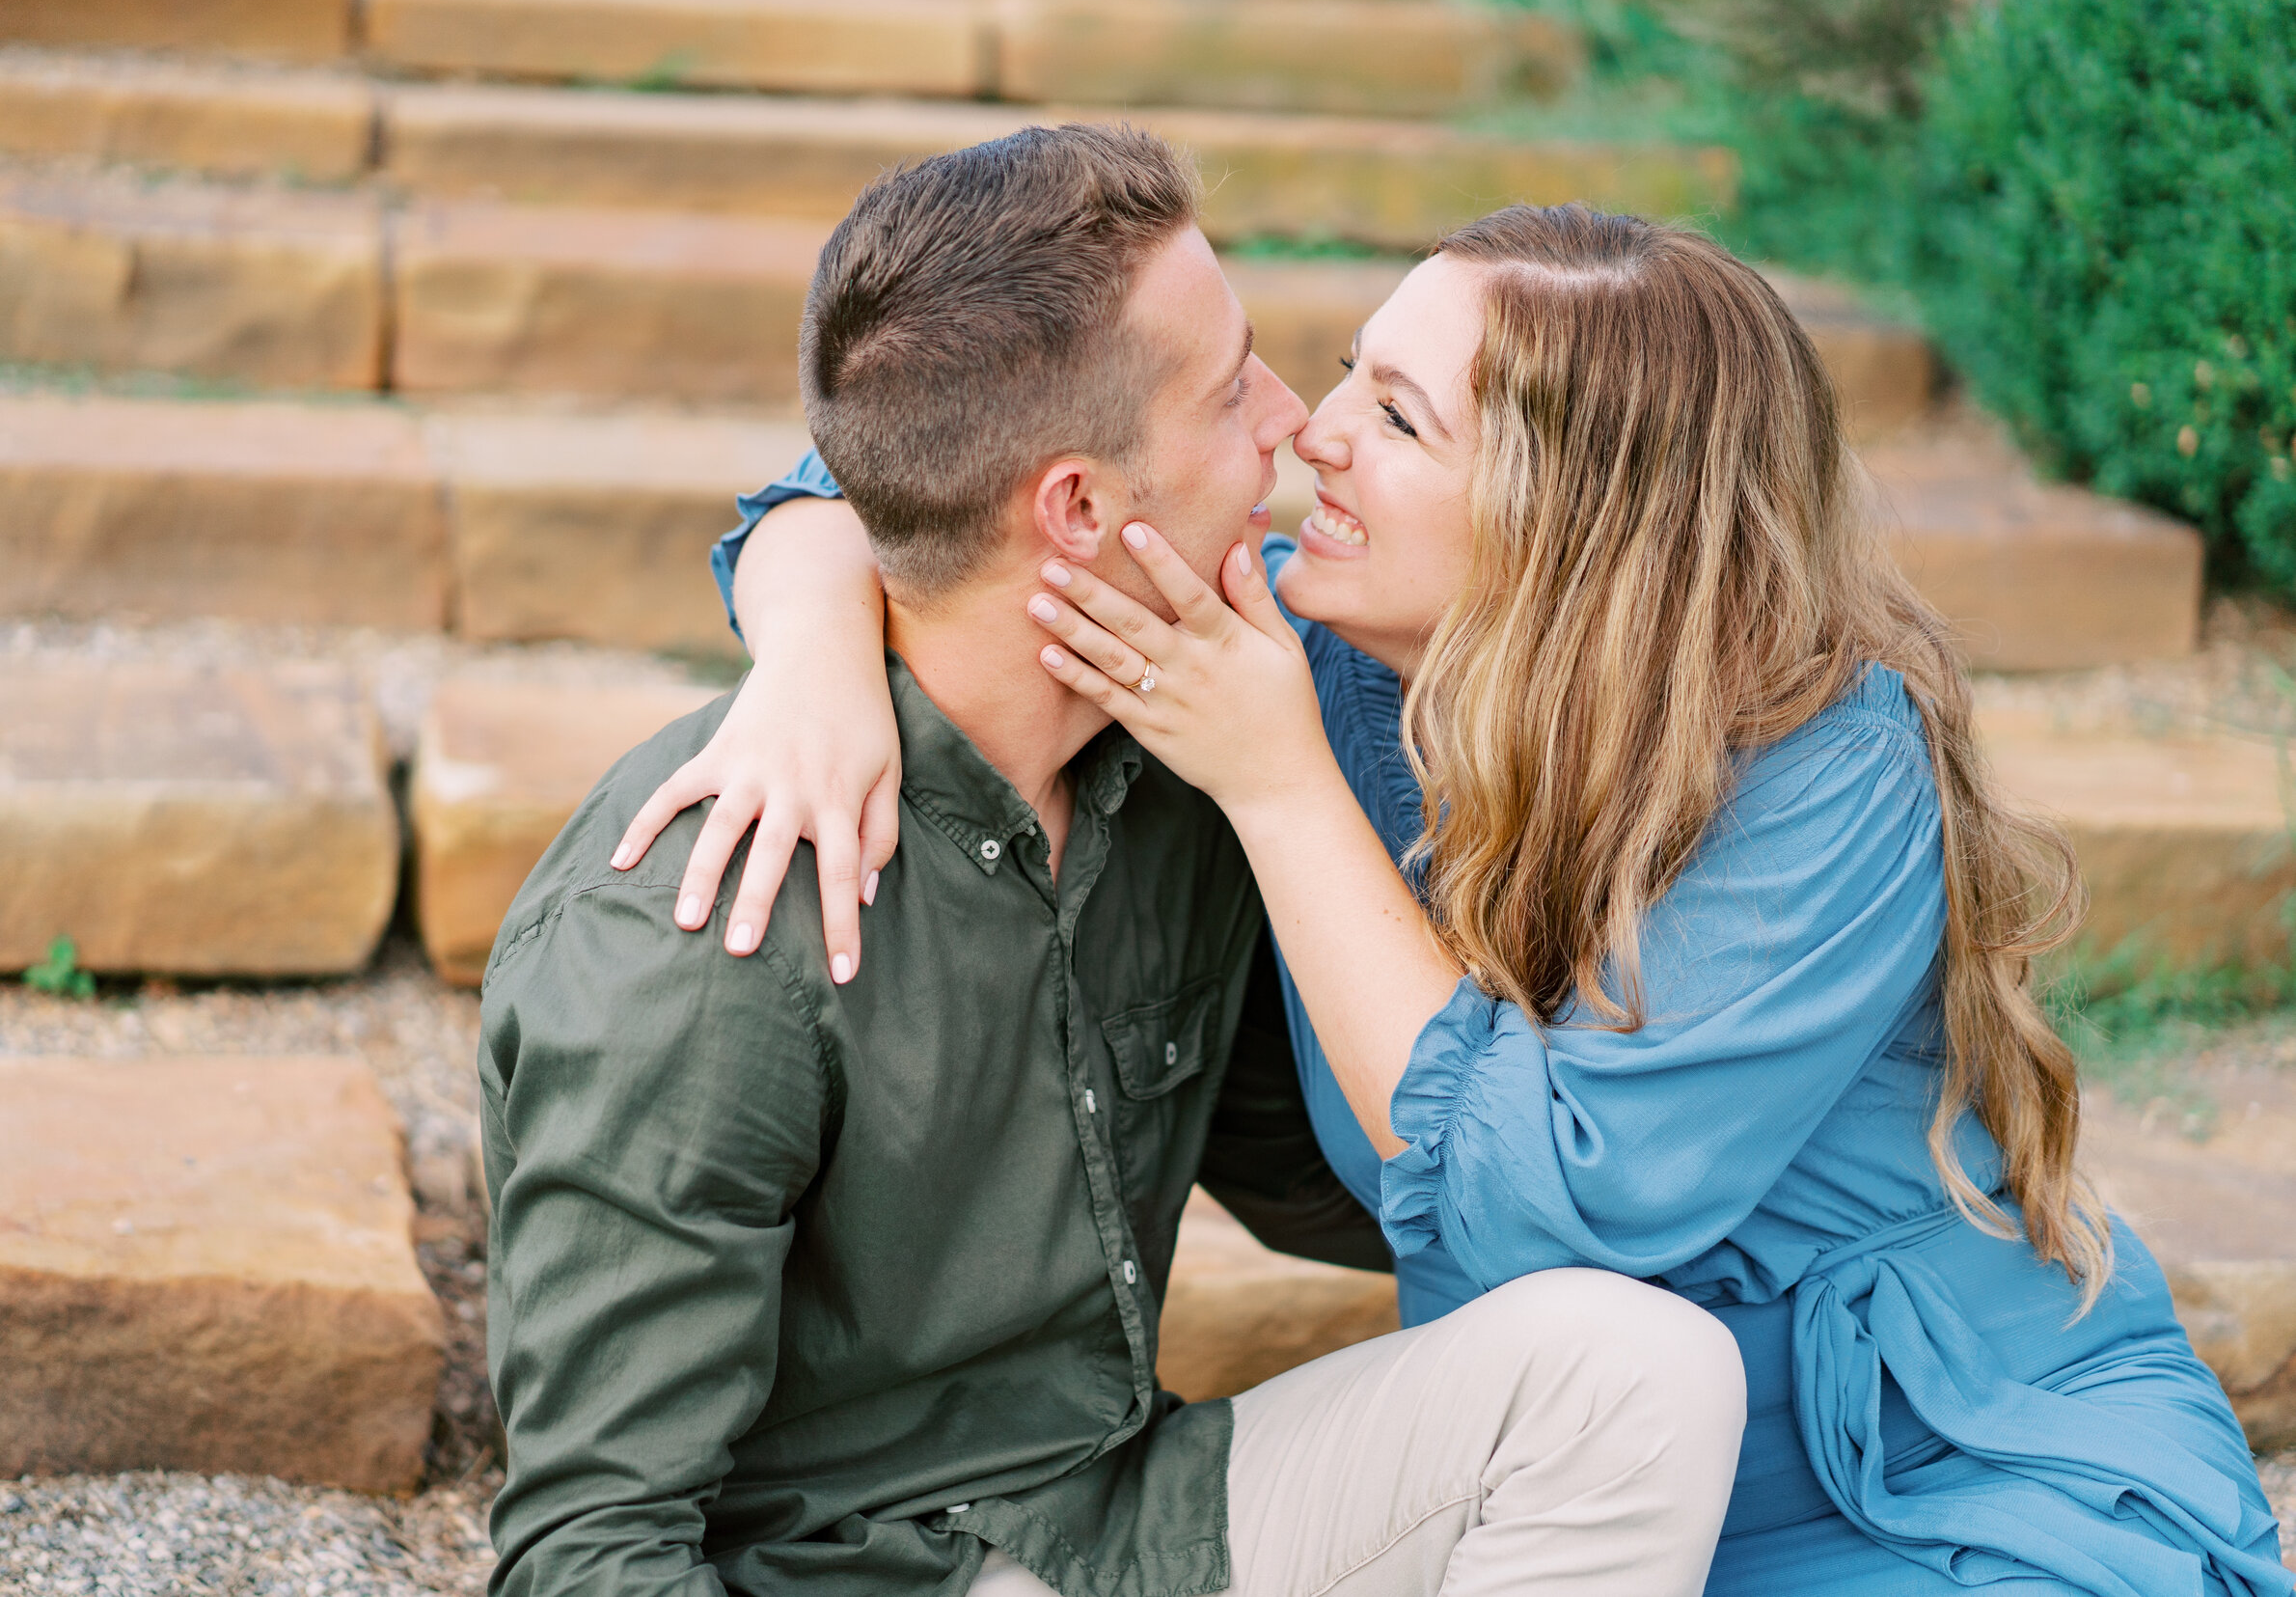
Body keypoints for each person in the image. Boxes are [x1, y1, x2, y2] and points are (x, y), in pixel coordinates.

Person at [618, 202, 2295, 1597]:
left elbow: (1557, 1211)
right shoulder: (1323, 648)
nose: (1310, 433)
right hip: (1598, 1492)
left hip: (1961, 1483)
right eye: (1353, 367)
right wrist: (817, 662)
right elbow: (917, 483)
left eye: (1399, 417)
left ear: (1575, 525)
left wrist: (1276, 790)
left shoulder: (1823, 759)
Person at [485, 127, 1747, 1597]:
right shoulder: (699, 932)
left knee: (1629, 1375)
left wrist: (1662, 1149)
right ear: (1079, 509)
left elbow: (1326, 1172)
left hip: (1123, 1512)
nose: (1296, 423)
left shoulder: (1184, 766)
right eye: (1233, 391)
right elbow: (584, 1550)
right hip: (862, 1572)